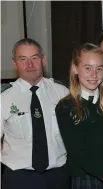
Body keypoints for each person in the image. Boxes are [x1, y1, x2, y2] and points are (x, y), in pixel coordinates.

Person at [55, 43, 103, 189]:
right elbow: (79, 154)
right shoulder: (65, 107)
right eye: (88, 68)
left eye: (99, 68)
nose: (94, 75)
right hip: (86, 180)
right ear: (75, 69)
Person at [1, 38, 70, 189]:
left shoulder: (62, 92)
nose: (30, 65)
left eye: (34, 58)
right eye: (23, 59)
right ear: (15, 63)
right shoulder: (4, 98)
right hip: (18, 179)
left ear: (43, 60)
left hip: (57, 177)